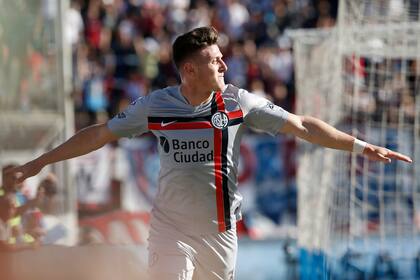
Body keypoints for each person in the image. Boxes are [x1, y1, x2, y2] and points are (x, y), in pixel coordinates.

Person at [4, 26, 412, 279]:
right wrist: (39, 163)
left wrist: (361, 145)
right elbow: (98, 135)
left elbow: (302, 125)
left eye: (222, 58)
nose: (224, 66)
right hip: (170, 229)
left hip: (220, 231)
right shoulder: (155, 106)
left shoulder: (238, 103)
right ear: (189, 69)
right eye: (215, 60)